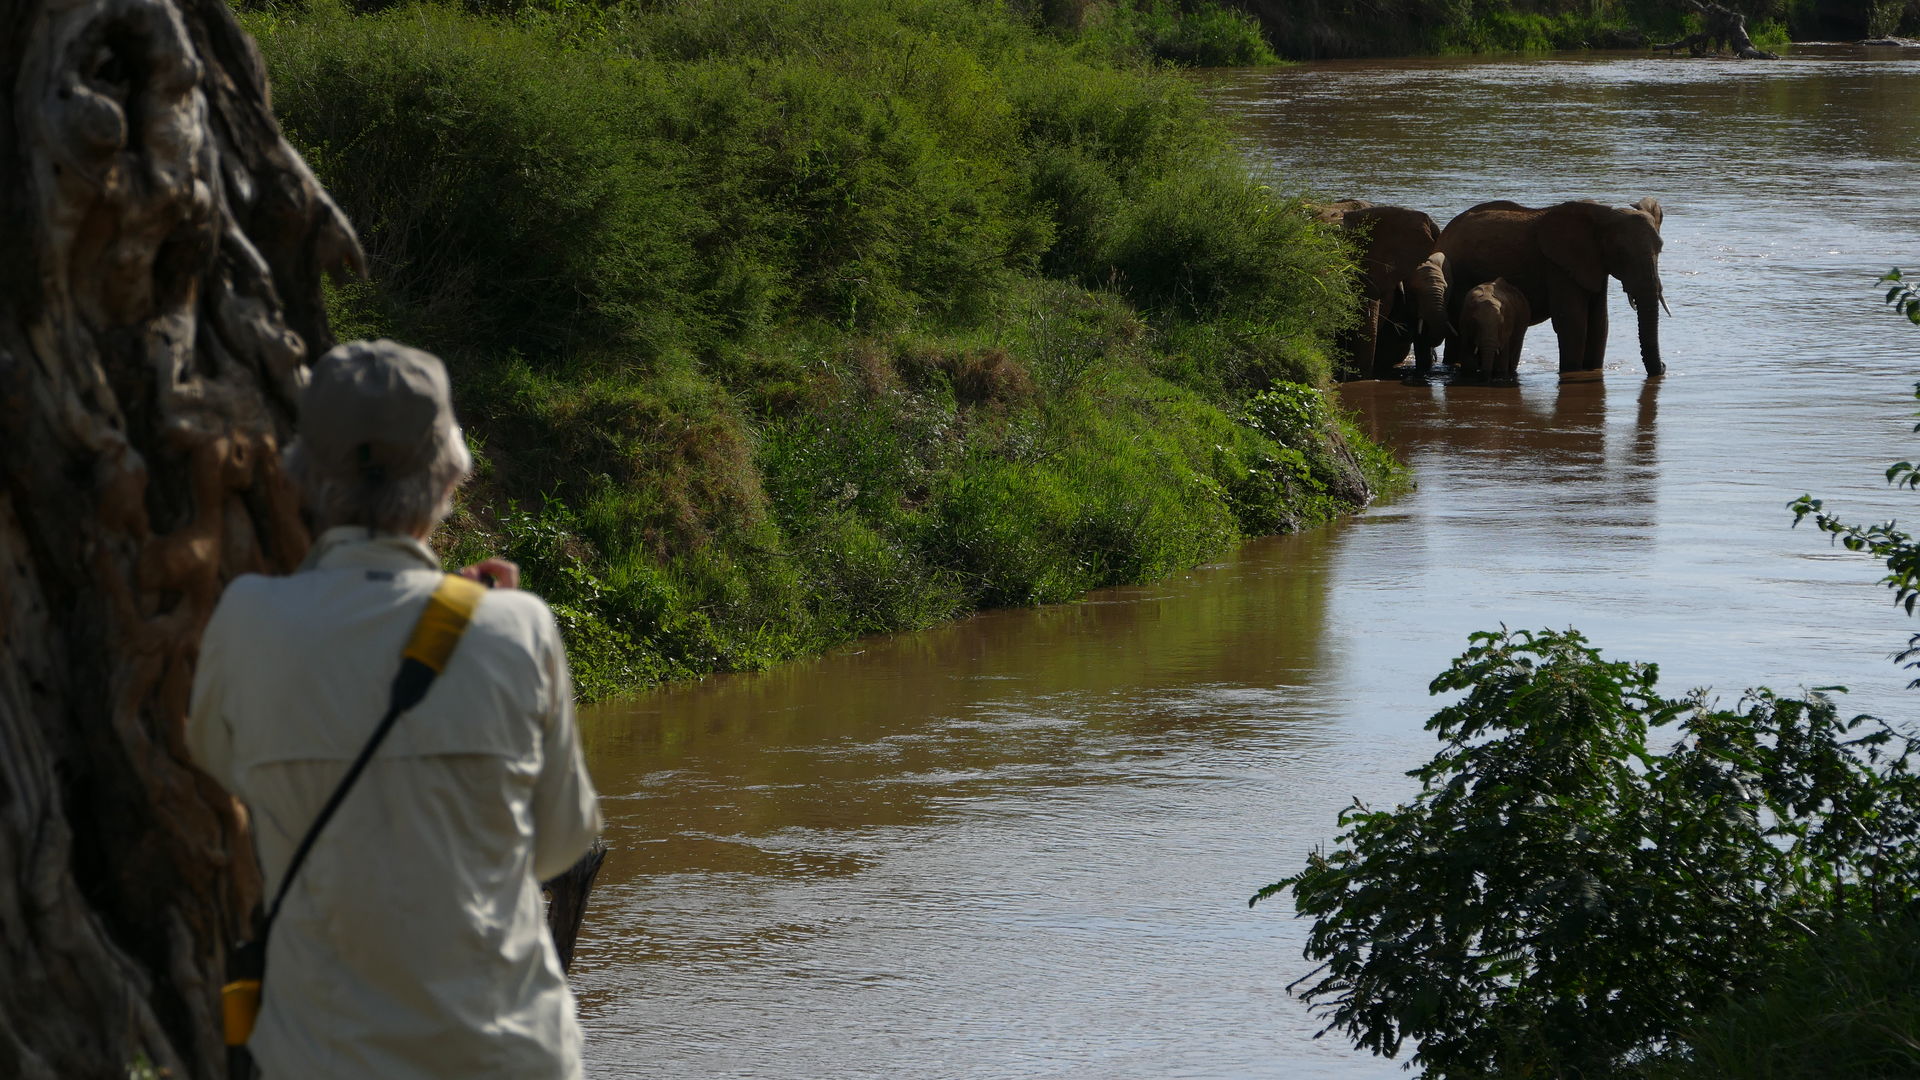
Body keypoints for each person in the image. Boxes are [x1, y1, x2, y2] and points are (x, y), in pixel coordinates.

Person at [187, 339, 602, 1078]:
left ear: (303, 476)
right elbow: (561, 845)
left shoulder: (246, 620)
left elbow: (220, 766)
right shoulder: (517, 626)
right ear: (450, 475)